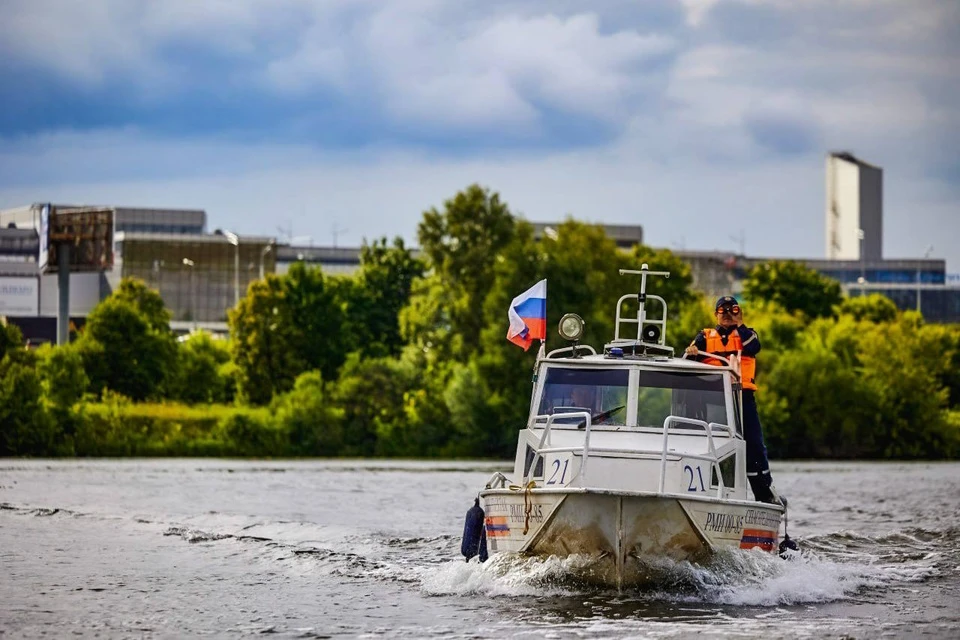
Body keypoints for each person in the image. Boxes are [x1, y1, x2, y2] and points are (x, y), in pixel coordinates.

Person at [684, 296, 781, 505]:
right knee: (711, 443)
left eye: (732, 310)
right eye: (723, 310)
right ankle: (707, 491)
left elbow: (753, 347)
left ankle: (764, 493)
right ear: (715, 314)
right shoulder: (705, 336)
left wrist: (740, 324)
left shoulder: (748, 334)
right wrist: (691, 352)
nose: (728, 314)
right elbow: (687, 362)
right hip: (713, 398)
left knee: (754, 444)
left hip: (742, 397)